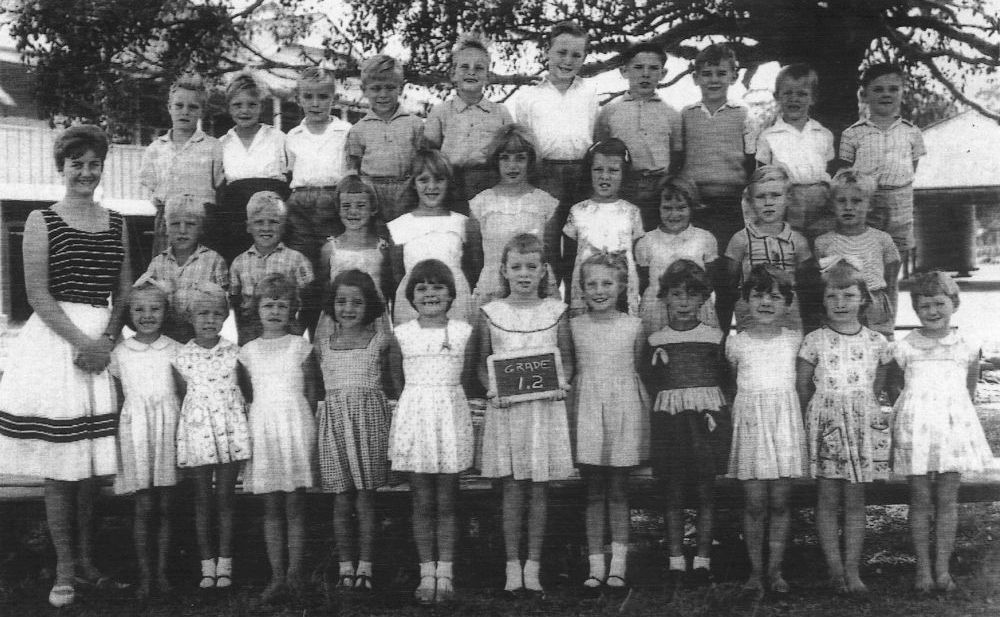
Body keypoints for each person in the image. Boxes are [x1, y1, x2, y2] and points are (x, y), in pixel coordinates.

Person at [0, 125, 132, 608]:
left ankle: (88, 563)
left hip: (101, 344)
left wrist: (108, 340)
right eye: (76, 163)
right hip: (59, 345)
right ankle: (64, 567)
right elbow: (36, 293)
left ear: (101, 167)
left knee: (90, 467)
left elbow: (124, 291)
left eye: (93, 163)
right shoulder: (42, 220)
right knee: (61, 467)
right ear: (62, 167)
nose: (85, 171)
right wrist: (83, 342)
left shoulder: (116, 222)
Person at [474, 233, 574, 596]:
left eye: (532, 267)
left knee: (539, 489)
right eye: (516, 267)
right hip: (507, 412)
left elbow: (568, 361)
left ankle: (533, 566)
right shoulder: (491, 312)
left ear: (544, 270)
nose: (524, 274)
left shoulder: (556, 311)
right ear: (504, 270)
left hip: (543, 413)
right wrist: (491, 389)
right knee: (512, 489)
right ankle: (511, 566)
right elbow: (482, 366)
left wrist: (562, 383)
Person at [890, 271, 994, 592]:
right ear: (916, 309)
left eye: (939, 304)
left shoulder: (965, 345)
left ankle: (943, 570)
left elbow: (969, 388)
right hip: (916, 431)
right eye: (925, 306)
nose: (933, 311)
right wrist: (911, 413)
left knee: (947, 500)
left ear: (954, 304)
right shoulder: (905, 347)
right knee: (920, 499)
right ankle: (922, 571)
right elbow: (896, 386)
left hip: (951, 429)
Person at [796, 260, 891, 595]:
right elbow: (804, 386)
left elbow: (878, 383)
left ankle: (853, 569)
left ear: (863, 299)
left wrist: (862, 408)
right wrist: (819, 420)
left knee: (855, 499)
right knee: (827, 496)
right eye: (832, 295)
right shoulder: (814, 340)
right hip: (826, 422)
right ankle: (834, 569)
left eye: (848, 295)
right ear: (822, 299)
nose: (840, 302)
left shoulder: (877, 342)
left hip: (861, 422)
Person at [387, 259, 475, 604]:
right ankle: (426, 572)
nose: (430, 293)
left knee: (447, 500)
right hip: (416, 418)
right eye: (421, 288)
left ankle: (446, 573)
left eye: (438, 286)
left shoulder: (463, 331)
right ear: (411, 296)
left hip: (449, 418)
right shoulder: (403, 334)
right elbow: (396, 379)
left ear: (452, 295)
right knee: (422, 500)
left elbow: (466, 377)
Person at [645, 260, 728, 592]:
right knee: (675, 491)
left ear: (703, 299)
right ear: (664, 297)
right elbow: (650, 381)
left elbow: (726, 378)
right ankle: (676, 560)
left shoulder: (714, 337)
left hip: (706, 419)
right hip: (672, 420)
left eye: (691, 295)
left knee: (707, 491)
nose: (682, 301)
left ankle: (703, 561)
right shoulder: (656, 339)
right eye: (676, 294)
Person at [725, 264, 806, 595]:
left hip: (783, 425)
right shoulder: (736, 344)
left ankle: (775, 570)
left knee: (780, 503)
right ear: (745, 300)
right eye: (758, 295)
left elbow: (801, 386)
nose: (766, 302)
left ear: (787, 303)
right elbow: (733, 385)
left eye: (775, 296)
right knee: (755, 503)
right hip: (751, 425)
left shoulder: (795, 340)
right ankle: (755, 572)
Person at [570, 252, 648, 595]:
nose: (599, 290)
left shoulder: (633, 326)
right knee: (593, 493)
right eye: (592, 284)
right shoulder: (574, 325)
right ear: (582, 289)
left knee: (618, 491)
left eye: (607, 283)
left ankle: (619, 566)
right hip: (587, 408)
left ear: (621, 286)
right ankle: (595, 566)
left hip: (623, 408)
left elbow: (637, 367)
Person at [238, 274, 318, 602]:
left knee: (295, 504)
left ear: (293, 310)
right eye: (268, 304)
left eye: (282, 305)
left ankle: (295, 574)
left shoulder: (301, 347)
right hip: (264, 428)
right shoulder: (247, 352)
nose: (274, 311)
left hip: (295, 426)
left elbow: (312, 393)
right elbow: (246, 395)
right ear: (256, 309)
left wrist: (304, 429)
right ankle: (276, 576)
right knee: (271, 506)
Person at [315, 270, 393, 594]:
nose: (348, 308)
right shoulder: (323, 345)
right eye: (341, 301)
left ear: (370, 306)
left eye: (357, 302)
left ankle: (367, 565)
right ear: (332, 305)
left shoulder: (380, 342)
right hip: (334, 424)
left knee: (365, 499)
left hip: (368, 424)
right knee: (341, 498)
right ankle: (345, 565)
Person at [172, 282, 250, 591]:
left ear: (226, 317)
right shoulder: (181, 356)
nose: (209, 320)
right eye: (202, 313)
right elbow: (182, 397)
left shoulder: (235, 353)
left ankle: (226, 563)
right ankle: (207, 566)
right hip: (198, 431)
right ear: (190, 317)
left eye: (217, 314)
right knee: (203, 499)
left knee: (226, 498)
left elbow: (247, 393)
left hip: (229, 430)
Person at [510, 20, 599, 279]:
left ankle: (576, 305)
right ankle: (548, 303)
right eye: (561, 52)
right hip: (544, 174)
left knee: (580, 243)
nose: (567, 60)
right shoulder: (529, 95)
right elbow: (524, 142)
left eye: (576, 55)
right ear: (547, 51)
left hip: (581, 174)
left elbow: (593, 134)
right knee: (546, 243)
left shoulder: (590, 93)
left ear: (583, 58)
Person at [111, 278, 182, 600]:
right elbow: (114, 399)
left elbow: (184, 392)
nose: (147, 315)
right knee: (143, 506)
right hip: (136, 431)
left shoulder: (176, 349)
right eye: (139, 309)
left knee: (166, 505)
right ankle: (144, 575)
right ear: (129, 313)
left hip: (167, 429)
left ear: (165, 312)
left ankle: (165, 574)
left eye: (155, 308)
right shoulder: (120, 352)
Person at [838, 63, 926, 275]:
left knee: (892, 267)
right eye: (878, 89)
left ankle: (889, 307)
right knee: (864, 267)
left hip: (900, 205)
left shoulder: (912, 132)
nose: (886, 94)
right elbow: (845, 175)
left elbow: (912, 168)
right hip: (867, 204)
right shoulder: (852, 134)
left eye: (893, 89)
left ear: (902, 92)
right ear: (864, 95)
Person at [284, 66, 353, 333]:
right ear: (298, 98)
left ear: (334, 99)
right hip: (300, 205)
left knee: (330, 270)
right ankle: (301, 336)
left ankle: (330, 335)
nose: (315, 103)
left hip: (332, 202)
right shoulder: (293, 136)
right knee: (303, 273)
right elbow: (290, 172)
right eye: (309, 96)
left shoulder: (345, 131)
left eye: (323, 97)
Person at [674, 43, 756, 252]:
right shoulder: (686, 114)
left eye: (721, 73)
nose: (714, 80)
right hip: (695, 199)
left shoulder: (743, 114)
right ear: (696, 78)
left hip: (732, 200)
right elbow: (678, 156)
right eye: (707, 74)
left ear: (733, 77)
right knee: (697, 253)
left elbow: (751, 159)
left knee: (728, 253)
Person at [468, 124, 559, 307]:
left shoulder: (545, 203)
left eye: (520, 158)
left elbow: (551, 255)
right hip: (493, 290)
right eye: (505, 158)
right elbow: (475, 257)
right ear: (496, 161)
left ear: (530, 161)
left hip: (535, 291)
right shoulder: (480, 203)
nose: (512, 165)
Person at [595, 41, 681, 231]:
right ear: (624, 71)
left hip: (658, 187)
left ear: (663, 73)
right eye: (639, 67)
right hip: (622, 185)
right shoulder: (610, 111)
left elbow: (677, 155)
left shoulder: (672, 114)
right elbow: (600, 150)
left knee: (654, 238)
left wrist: (667, 184)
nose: (645, 74)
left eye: (653, 68)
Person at [424, 35, 513, 210]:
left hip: (489, 184)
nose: (471, 72)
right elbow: (429, 156)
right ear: (453, 74)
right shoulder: (440, 112)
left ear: (488, 76)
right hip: (451, 186)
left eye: (479, 68)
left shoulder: (500, 112)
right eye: (464, 67)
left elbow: (510, 151)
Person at [139, 73, 223, 256]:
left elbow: (218, 184)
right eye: (179, 105)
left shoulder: (213, 147)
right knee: (165, 272)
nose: (185, 111)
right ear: (169, 107)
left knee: (201, 273)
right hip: (168, 221)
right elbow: (152, 186)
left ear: (201, 111)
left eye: (193, 107)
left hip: (202, 222)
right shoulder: (155, 149)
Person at [388, 150, 476, 325]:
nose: (432, 186)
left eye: (439, 179)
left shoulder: (461, 223)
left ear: (449, 182)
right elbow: (398, 274)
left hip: (455, 303)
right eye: (423, 180)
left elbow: (470, 268)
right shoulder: (400, 226)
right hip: (414, 305)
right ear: (413, 183)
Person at [725, 165, 813, 332]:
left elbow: (804, 282)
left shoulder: (798, 241)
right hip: (751, 312)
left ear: (788, 198)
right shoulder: (740, 240)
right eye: (760, 197)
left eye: (775, 195)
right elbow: (730, 280)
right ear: (750, 201)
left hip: (788, 312)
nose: (768, 203)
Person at [814, 170, 901, 339]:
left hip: (875, 305)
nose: (848, 207)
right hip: (841, 303)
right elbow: (824, 283)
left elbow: (891, 281)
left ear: (870, 205)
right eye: (841, 201)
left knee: (878, 350)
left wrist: (888, 317)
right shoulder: (823, 243)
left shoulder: (882, 239)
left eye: (856, 201)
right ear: (832, 205)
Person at [563, 138, 644, 316]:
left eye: (613, 171)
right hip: (587, 288)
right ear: (589, 172)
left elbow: (638, 256)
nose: (604, 176)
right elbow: (569, 259)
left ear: (624, 175)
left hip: (620, 289)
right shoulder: (577, 211)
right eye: (598, 169)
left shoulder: (631, 212)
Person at [215, 72, 290, 263]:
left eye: (251, 104)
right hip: (236, 218)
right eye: (237, 105)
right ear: (229, 108)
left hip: (271, 216)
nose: (245, 111)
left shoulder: (277, 138)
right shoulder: (222, 144)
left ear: (261, 106)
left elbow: (289, 177)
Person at [754, 64, 835, 240]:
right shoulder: (768, 136)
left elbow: (828, 167)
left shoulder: (823, 133)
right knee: (790, 244)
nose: (794, 99)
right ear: (777, 96)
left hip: (820, 198)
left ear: (813, 98)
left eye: (802, 94)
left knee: (822, 244)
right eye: (788, 93)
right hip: (788, 200)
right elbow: (762, 174)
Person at [635, 176, 719, 335]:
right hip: (657, 309)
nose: (674, 214)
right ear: (658, 207)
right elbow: (644, 282)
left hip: (694, 307)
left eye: (681, 207)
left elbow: (710, 280)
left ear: (692, 207)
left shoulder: (705, 239)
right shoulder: (646, 242)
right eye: (667, 208)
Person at [346, 54, 424, 223]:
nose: (383, 94)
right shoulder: (358, 129)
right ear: (364, 90)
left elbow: (422, 163)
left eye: (390, 88)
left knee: (402, 237)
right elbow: (353, 169)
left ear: (401, 88)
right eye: (376, 88)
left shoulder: (415, 124)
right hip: (371, 193)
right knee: (376, 239)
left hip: (406, 191)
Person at [229, 191, 315, 344]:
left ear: (284, 226)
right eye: (259, 222)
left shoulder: (297, 260)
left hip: (286, 329)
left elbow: (309, 301)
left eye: (274, 222)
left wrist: (298, 329)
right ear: (248, 227)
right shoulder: (239, 263)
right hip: (251, 332)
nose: (266, 227)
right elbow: (235, 303)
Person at [315, 175, 393, 341]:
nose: (353, 211)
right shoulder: (330, 249)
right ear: (338, 209)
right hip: (339, 319)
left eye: (361, 205)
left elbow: (387, 288)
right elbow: (325, 289)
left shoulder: (383, 248)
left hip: (374, 317)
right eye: (346, 206)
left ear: (373, 208)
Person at [142, 195, 228, 343]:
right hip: (165, 339)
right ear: (166, 228)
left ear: (200, 228)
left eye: (190, 224)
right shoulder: (157, 263)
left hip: (201, 339)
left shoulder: (214, 261)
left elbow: (224, 306)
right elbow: (141, 297)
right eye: (175, 224)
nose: (182, 230)